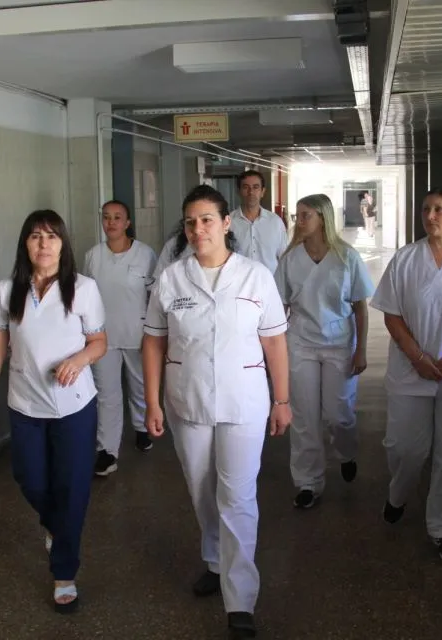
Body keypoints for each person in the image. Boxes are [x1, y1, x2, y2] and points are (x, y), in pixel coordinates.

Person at [143, 184, 291, 639]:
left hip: (245, 401)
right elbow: (154, 341)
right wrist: (152, 401)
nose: (198, 229)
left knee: (238, 496)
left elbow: (274, 341)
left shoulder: (255, 276)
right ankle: (214, 559)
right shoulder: (171, 279)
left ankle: (240, 599)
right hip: (187, 401)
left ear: (226, 223)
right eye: (190, 222)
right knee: (201, 488)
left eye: (207, 219)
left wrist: (282, 400)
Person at [0, 210, 107, 612]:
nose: (44, 244)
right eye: (36, 236)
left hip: (74, 406)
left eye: (52, 236)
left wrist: (79, 359)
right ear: (25, 243)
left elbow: (99, 342)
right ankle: (57, 524)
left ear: (62, 243)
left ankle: (64, 572)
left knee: (72, 488)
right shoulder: (8, 290)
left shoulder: (82, 288)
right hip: (25, 405)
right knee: (29, 477)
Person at [371, 187, 442, 564]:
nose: (430, 216)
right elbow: (391, 314)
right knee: (405, 448)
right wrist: (419, 357)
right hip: (412, 371)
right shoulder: (406, 258)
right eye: (426, 209)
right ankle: (398, 494)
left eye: (439, 209)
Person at [274, 194, 374, 509]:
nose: (299, 221)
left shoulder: (346, 257)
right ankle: (308, 482)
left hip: (339, 343)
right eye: (297, 215)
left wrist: (361, 350)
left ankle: (346, 452)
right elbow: (279, 307)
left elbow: (360, 307)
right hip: (301, 342)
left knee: (338, 414)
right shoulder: (290, 259)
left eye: (306, 215)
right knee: (304, 416)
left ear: (323, 218)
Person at [84, 200, 157, 476]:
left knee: (140, 386)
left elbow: (154, 296)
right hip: (102, 337)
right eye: (106, 217)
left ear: (127, 223)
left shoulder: (145, 254)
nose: (111, 222)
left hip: (138, 333)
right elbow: (85, 298)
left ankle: (141, 428)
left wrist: (156, 333)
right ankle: (107, 450)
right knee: (107, 394)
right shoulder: (93, 256)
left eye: (117, 217)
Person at [230, 170, 288, 273]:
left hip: (270, 281)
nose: (251, 192)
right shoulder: (229, 222)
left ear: (262, 191)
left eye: (256, 187)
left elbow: (284, 258)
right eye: (246, 187)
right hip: (239, 281)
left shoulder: (275, 222)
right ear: (239, 191)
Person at [152, 219, 194, 283]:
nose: (197, 229)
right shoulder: (173, 244)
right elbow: (159, 277)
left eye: (205, 220)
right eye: (190, 222)